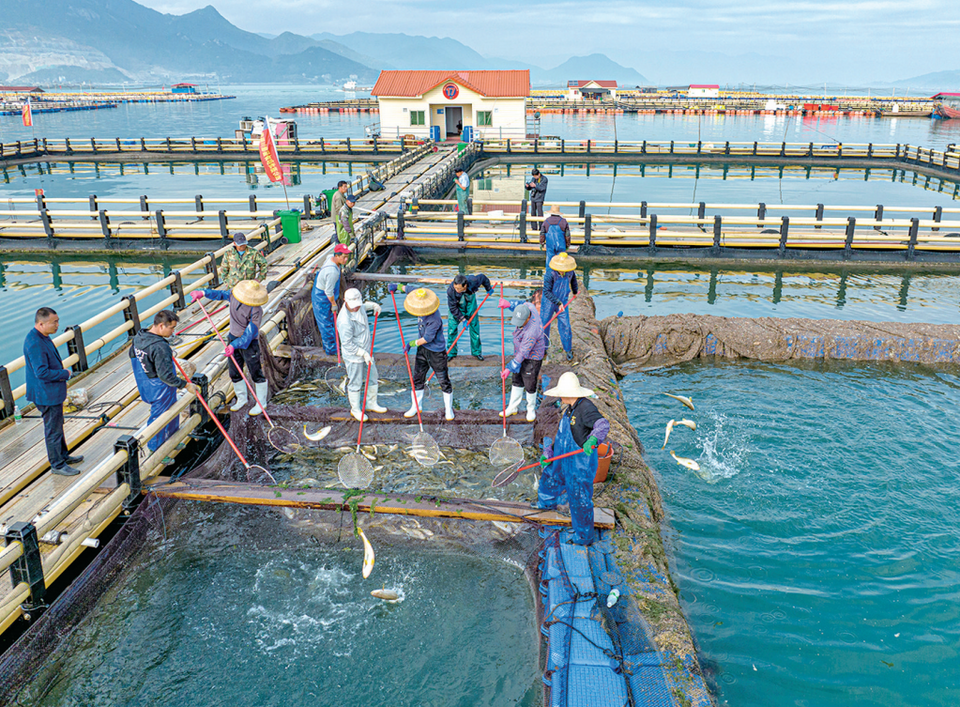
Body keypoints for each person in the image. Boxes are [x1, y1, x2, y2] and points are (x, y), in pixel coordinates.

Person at [537, 372, 610, 546]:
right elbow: (560, 435)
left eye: (561, 393)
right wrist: (549, 452)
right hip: (562, 456)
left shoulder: (586, 408)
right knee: (551, 476)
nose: (559, 396)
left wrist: (593, 440)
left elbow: (602, 424)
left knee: (579, 498)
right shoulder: (569, 408)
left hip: (579, 463)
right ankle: (546, 505)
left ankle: (583, 537)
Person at [191, 280, 269, 416]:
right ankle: (241, 398)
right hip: (233, 338)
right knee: (234, 371)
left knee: (255, 371)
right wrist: (203, 293)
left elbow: (249, 335)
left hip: (249, 343)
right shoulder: (234, 294)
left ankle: (261, 403)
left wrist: (234, 345)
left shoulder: (256, 310)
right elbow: (220, 294)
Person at [24, 307, 83, 476]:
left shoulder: (42, 336)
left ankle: (63, 455)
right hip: (46, 395)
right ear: (41, 323)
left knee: (57, 425)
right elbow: (41, 372)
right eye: (54, 322)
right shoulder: (35, 343)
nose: (57, 325)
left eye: (57, 321)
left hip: (50, 392)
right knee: (53, 430)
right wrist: (65, 374)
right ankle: (57, 464)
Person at [130, 310, 198, 453]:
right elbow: (166, 376)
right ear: (161, 326)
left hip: (144, 382)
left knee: (173, 410)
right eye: (171, 328)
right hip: (160, 388)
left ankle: (172, 440)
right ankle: (155, 449)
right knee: (159, 418)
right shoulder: (161, 347)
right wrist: (186, 385)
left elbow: (133, 356)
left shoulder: (139, 337)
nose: (173, 332)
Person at [401, 287, 455, 421]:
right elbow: (411, 291)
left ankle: (449, 409)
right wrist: (398, 287)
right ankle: (416, 406)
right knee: (417, 378)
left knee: (443, 380)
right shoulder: (421, 299)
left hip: (436, 352)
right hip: (422, 350)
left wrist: (411, 343)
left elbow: (427, 338)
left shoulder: (434, 319)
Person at [337, 288, 386, 421]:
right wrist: (363, 353)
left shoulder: (359, 307)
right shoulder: (344, 321)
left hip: (367, 351)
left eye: (357, 304)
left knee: (373, 376)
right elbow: (347, 344)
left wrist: (373, 306)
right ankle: (355, 409)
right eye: (353, 305)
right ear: (345, 301)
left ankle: (371, 403)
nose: (356, 307)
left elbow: (363, 306)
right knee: (355, 382)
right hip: (354, 356)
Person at [499, 302, 546, 422]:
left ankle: (531, 409)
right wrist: (509, 304)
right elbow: (521, 304)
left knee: (530, 382)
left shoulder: (532, 331)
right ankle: (512, 407)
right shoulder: (529, 307)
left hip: (533, 357)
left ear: (528, 318)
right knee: (517, 379)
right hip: (520, 350)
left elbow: (523, 353)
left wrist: (509, 368)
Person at [312, 243, 352, 355]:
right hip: (322, 298)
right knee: (326, 324)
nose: (346, 259)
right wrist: (333, 304)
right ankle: (331, 351)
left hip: (325, 292)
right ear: (337, 256)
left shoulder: (331, 257)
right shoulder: (332, 272)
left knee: (330, 322)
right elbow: (328, 292)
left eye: (347, 257)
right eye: (343, 257)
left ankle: (333, 346)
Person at [446, 272, 493, 361]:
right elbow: (453, 308)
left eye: (459, 288)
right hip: (456, 308)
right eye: (455, 287)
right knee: (452, 330)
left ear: (465, 286)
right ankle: (451, 352)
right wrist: (463, 319)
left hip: (470, 305)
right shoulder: (451, 291)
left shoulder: (473, 281)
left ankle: (476, 352)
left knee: (474, 328)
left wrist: (488, 288)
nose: (457, 290)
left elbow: (483, 277)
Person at [541, 253, 579, 361]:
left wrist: (575, 291)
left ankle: (568, 349)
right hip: (549, 302)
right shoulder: (550, 275)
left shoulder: (570, 272)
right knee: (544, 325)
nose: (563, 271)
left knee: (565, 325)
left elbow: (574, 281)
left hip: (563, 300)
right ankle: (543, 348)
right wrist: (558, 303)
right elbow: (546, 292)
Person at [540, 204, 571, 274]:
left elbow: (542, 233)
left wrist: (541, 243)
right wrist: (568, 245)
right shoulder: (564, 221)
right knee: (562, 262)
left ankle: (549, 276)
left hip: (550, 245)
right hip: (561, 245)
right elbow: (567, 235)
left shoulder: (546, 221)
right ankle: (561, 276)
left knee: (550, 261)